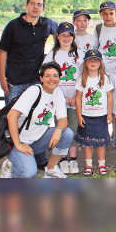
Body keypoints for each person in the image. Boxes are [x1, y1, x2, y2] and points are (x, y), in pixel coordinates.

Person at [0, 62, 74, 178]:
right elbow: (11, 116)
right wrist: (18, 144)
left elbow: (63, 119)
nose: (51, 79)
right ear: (41, 78)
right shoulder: (34, 91)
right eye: (47, 76)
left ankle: (51, 170)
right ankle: (10, 165)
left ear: (60, 78)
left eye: (55, 76)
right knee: (28, 173)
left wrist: (58, 130)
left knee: (67, 133)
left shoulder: (58, 93)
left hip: (36, 140)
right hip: (17, 142)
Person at [0, 0, 56, 105]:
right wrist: (2, 77)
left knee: (34, 118)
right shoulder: (13, 25)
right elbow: (2, 52)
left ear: (43, 8)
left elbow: (61, 36)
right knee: (11, 117)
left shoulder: (47, 24)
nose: (35, 7)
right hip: (14, 83)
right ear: (26, 6)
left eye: (39, 4)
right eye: (32, 3)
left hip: (37, 81)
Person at [42, 22, 82, 174]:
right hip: (57, 100)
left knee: (73, 128)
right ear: (57, 36)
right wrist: (62, 98)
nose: (66, 38)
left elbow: (84, 75)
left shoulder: (80, 54)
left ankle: (72, 159)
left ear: (73, 36)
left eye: (69, 35)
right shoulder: (52, 55)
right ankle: (62, 160)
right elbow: (47, 78)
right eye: (63, 35)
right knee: (60, 129)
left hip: (75, 98)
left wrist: (77, 96)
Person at [74, 50, 114, 176]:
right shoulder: (82, 79)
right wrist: (79, 115)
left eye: (96, 60)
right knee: (88, 142)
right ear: (85, 63)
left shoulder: (104, 78)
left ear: (100, 63)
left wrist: (109, 113)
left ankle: (101, 165)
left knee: (101, 142)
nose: (93, 62)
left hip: (101, 116)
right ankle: (88, 165)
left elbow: (109, 97)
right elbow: (78, 97)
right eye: (90, 60)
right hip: (86, 116)